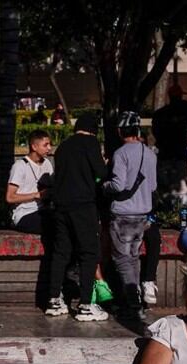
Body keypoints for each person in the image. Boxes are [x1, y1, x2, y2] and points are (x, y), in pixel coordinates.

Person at [45, 114, 109, 321]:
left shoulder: (63, 146)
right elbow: (101, 172)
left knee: (61, 252)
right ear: (93, 130)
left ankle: (54, 299)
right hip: (83, 205)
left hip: (61, 206)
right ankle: (85, 305)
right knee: (89, 253)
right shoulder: (90, 143)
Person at [103, 111, 157, 321]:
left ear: (119, 131)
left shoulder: (121, 153)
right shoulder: (150, 153)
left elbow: (119, 184)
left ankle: (132, 303)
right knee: (133, 257)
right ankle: (136, 300)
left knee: (123, 260)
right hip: (142, 213)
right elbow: (152, 185)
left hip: (124, 213)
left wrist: (105, 186)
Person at [151, 84, 187, 206]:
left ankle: (167, 209)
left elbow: (155, 131)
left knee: (164, 185)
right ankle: (178, 209)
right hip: (178, 153)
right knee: (181, 185)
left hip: (165, 153)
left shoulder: (160, 114)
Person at [7, 129, 53, 234]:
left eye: (50, 144)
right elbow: (10, 197)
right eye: (45, 145)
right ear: (34, 147)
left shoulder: (47, 164)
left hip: (43, 211)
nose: (49, 148)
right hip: (24, 214)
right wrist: (36, 195)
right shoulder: (20, 166)